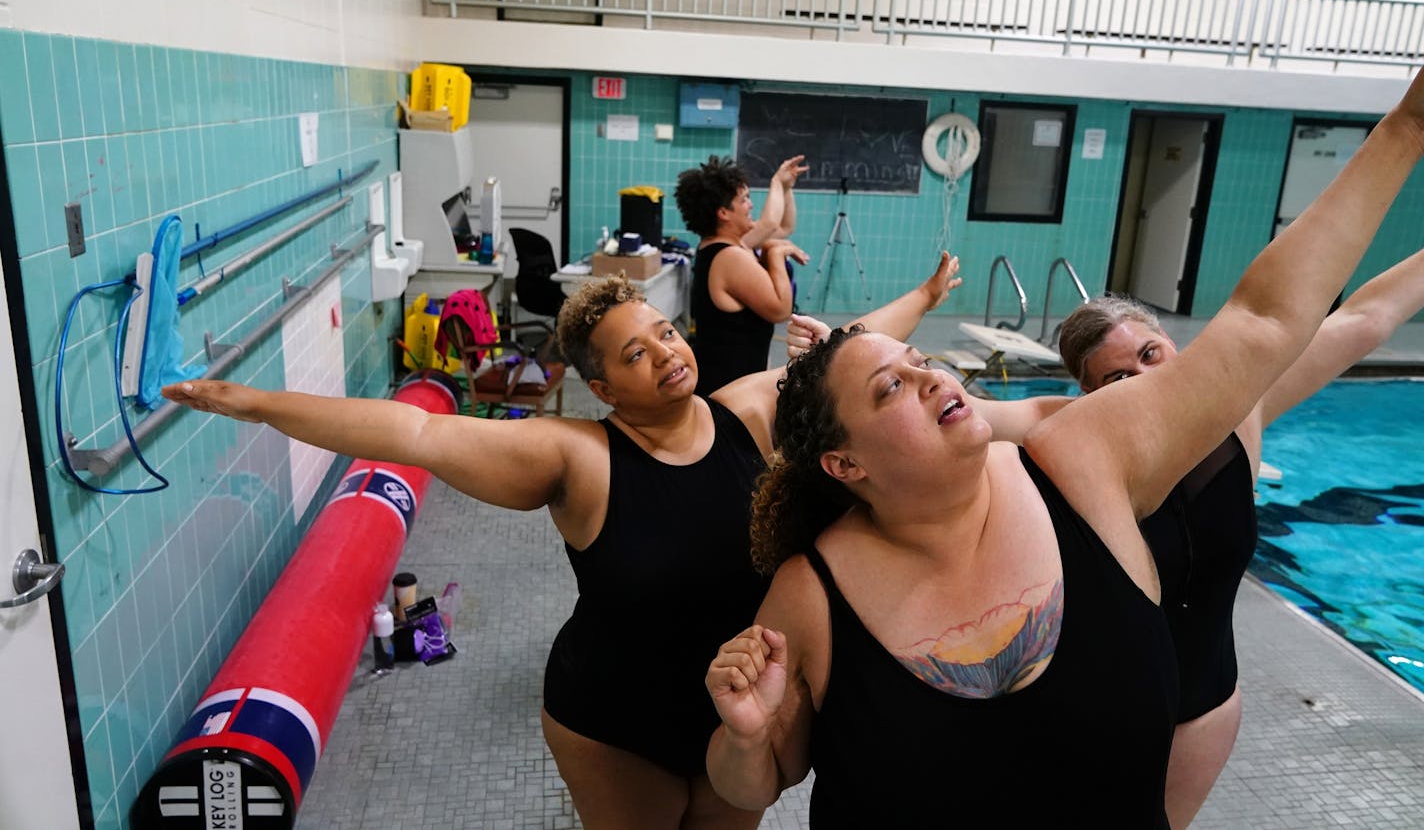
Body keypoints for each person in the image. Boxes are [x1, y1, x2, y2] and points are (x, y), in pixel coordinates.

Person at [704, 69, 1424, 827]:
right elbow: (751, 784)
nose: (928, 375)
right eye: (889, 388)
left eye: (920, 361)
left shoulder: (1082, 458)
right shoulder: (811, 590)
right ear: (845, 464)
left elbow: (1262, 320)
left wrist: (1408, 126)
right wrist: (745, 736)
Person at [163, 255, 959, 830]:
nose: (665, 354)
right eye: (635, 355)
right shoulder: (576, 455)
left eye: (664, 334)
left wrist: (922, 295)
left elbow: (855, 360)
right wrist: (258, 401)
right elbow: (415, 430)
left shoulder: (752, 409)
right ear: (605, 388)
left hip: (735, 708)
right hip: (613, 720)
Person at [1052, 242, 1424, 829]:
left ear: (1176, 346)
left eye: (1152, 354)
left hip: (1205, 709)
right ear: (1090, 396)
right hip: (1101, 708)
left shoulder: (1240, 409)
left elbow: (1361, 319)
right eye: (1118, 376)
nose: (1147, 380)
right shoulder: (1072, 450)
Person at [676, 154, 810, 395]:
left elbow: (783, 227)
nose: (751, 205)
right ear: (723, 213)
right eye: (744, 199)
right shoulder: (730, 257)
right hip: (726, 387)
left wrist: (786, 188)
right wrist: (776, 255)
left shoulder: (727, 246)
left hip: (728, 380)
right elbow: (780, 309)